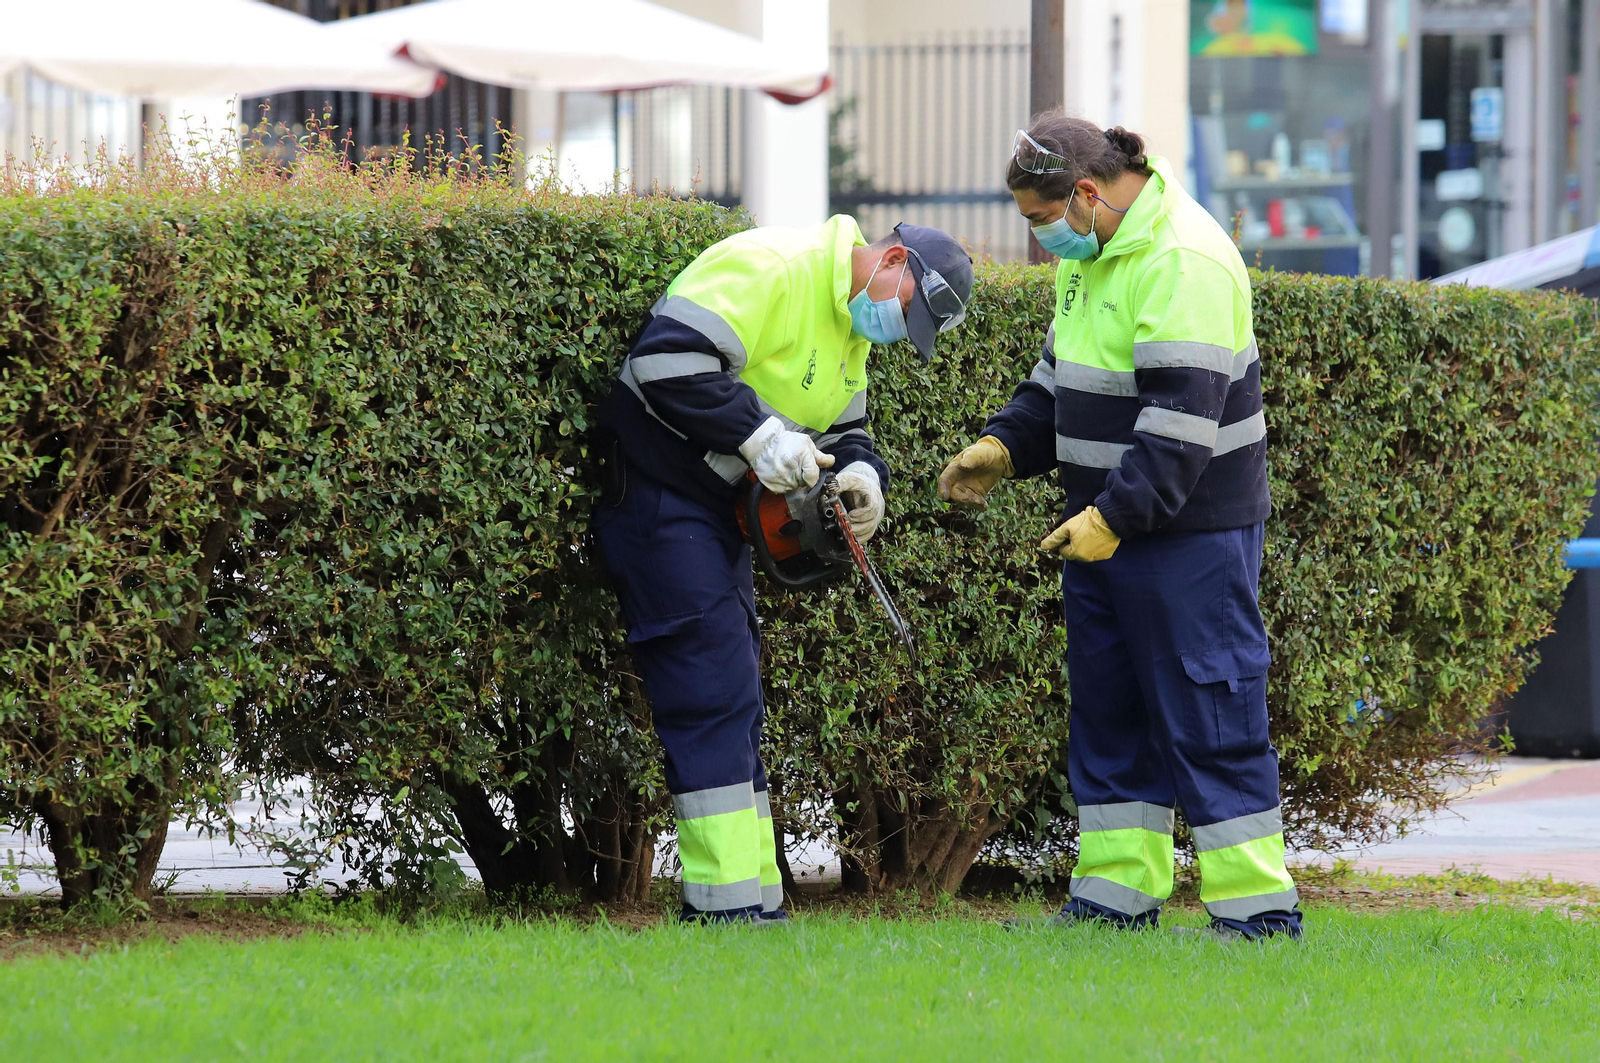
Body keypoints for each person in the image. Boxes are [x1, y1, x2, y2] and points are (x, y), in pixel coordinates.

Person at [938, 114, 1302, 940]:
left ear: (1089, 194)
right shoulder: (1096, 253)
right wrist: (1004, 443)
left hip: (1191, 535)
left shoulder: (1183, 259)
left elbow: (1181, 422)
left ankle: (1258, 916)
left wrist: (1111, 517)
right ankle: (1113, 901)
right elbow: (1059, 376)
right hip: (1107, 525)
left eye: (1041, 220)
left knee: (1213, 713)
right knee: (1111, 715)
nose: (1040, 241)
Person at [595, 216, 973, 924]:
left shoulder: (853, 325)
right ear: (891, 259)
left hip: (716, 513)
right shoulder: (772, 266)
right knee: (711, 683)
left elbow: (845, 428)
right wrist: (758, 432)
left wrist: (864, 474)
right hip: (659, 494)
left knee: (735, 690)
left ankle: (748, 897)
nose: (897, 329)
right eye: (907, 310)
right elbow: (662, 361)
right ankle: (726, 909)